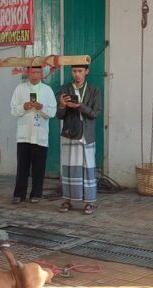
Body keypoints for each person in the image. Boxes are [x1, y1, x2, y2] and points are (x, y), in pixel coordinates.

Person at [56, 64, 102, 215]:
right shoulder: (65, 89)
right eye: (74, 71)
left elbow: (95, 113)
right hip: (70, 132)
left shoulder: (94, 90)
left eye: (80, 71)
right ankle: (67, 200)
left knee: (88, 168)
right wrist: (62, 105)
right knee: (69, 168)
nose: (77, 74)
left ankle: (89, 202)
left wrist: (80, 106)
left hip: (86, 134)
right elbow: (59, 115)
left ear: (86, 71)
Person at [9, 65, 57, 204]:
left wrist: (41, 108)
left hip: (40, 134)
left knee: (39, 166)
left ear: (42, 73)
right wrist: (23, 107)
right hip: (24, 134)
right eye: (32, 72)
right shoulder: (20, 89)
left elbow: (52, 112)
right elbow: (13, 110)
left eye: (38, 72)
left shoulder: (47, 90)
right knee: (22, 166)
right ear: (28, 73)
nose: (35, 75)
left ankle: (36, 193)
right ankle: (19, 194)